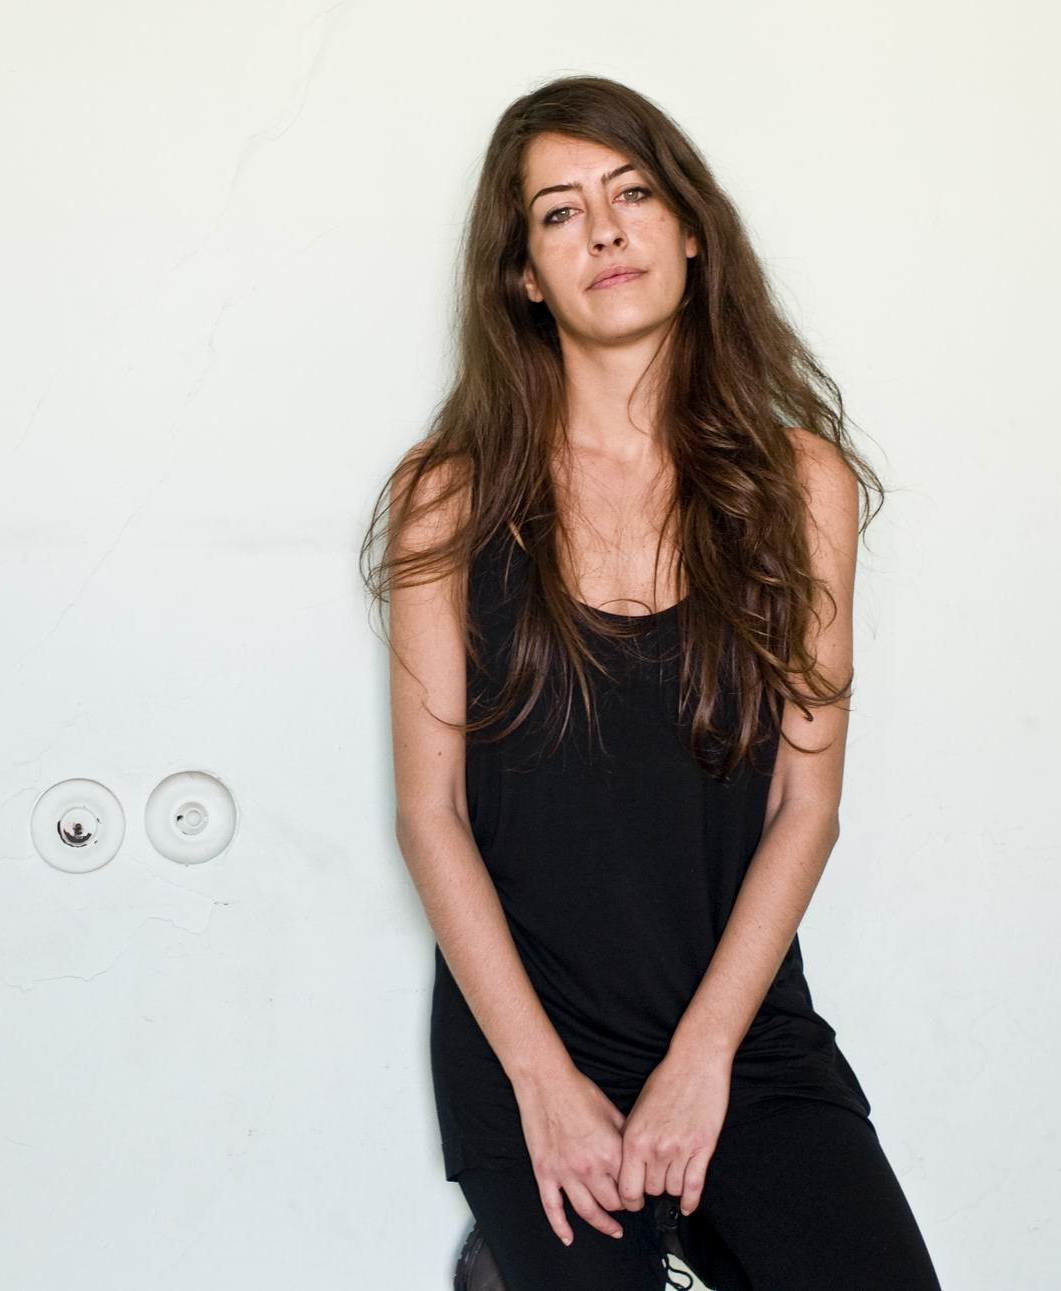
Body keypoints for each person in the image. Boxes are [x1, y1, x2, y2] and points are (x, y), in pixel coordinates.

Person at [363, 76, 942, 1288]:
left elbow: (805, 803)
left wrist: (704, 1057)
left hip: (740, 1031)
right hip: (529, 1046)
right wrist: (543, 1083)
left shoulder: (800, 484)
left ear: (690, 229)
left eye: (631, 193)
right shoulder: (450, 494)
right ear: (525, 276)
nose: (604, 231)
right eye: (558, 213)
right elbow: (432, 814)